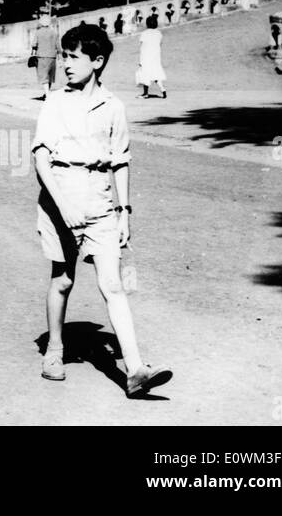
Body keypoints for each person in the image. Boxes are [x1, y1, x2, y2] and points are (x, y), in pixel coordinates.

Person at [33, 22, 171, 398]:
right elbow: (41, 159)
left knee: (112, 284)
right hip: (61, 196)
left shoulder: (113, 106)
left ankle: (135, 369)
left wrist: (124, 212)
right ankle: (55, 351)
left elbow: (120, 161)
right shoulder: (56, 101)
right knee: (63, 279)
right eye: (64, 56)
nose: (66, 64)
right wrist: (62, 206)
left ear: (97, 61)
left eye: (73, 57)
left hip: (100, 202)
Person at [135, 14, 167, 99]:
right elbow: (160, 44)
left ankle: (145, 93)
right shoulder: (159, 33)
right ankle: (163, 89)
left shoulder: (144, 33)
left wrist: (140, 60)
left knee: (145, 74)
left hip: (146, 56)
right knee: (155, 73)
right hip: (156, 56)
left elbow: (141, 45)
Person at [30, 12, 59, 98]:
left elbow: (34, 44)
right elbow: (58, 46)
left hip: (42, 56)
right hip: (52, 57)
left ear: (41, 22)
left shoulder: (38, 32)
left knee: (43, 75)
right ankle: (47, 93)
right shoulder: (54, 32)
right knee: (50, 75)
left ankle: (47, 94)